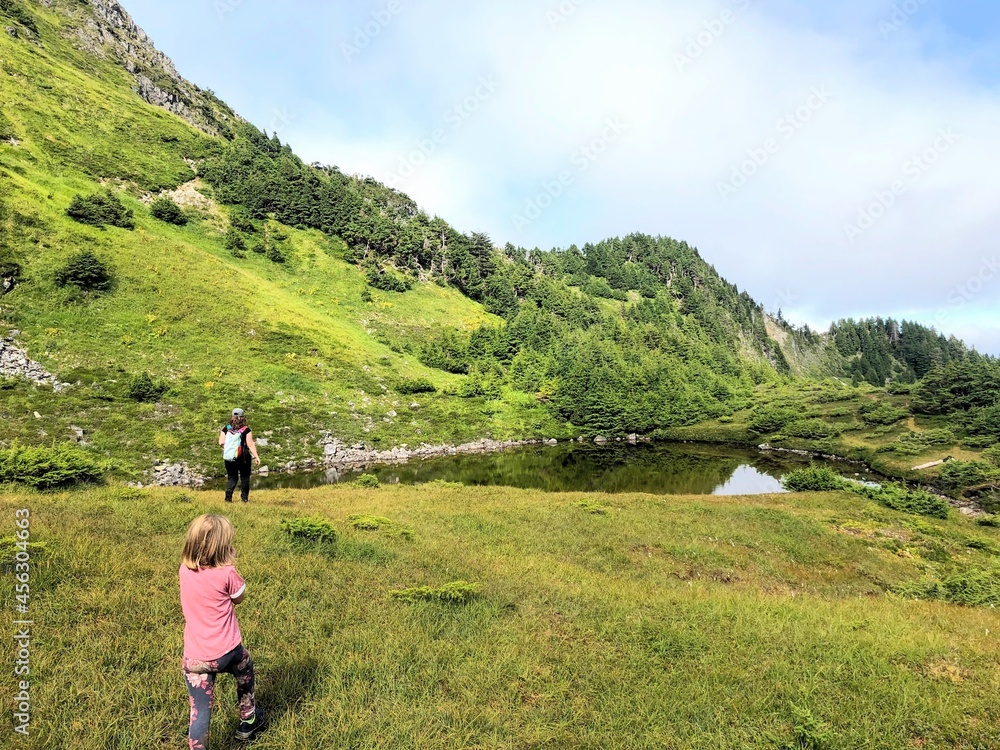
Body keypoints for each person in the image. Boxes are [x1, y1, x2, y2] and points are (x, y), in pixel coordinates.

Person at [179, 514, 265, 747]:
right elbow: (239, 598)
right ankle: (248, 720)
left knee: (199, 711)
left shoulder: (184, 570)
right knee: (244, 668)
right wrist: (231, 564)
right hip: (226, 651)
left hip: (195, 657)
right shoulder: (227, 573)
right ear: (223, 548)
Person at [219, 408, 261, 503]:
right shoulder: (246, 430)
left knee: (232, 477)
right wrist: (256, 456)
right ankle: (244, 499)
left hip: (229, 457)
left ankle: (228, 497)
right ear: (243, 417)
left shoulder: (226, 428)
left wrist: (231, 449)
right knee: (244, 477)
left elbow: (221, 442)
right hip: (243, 457)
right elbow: (250, 444)